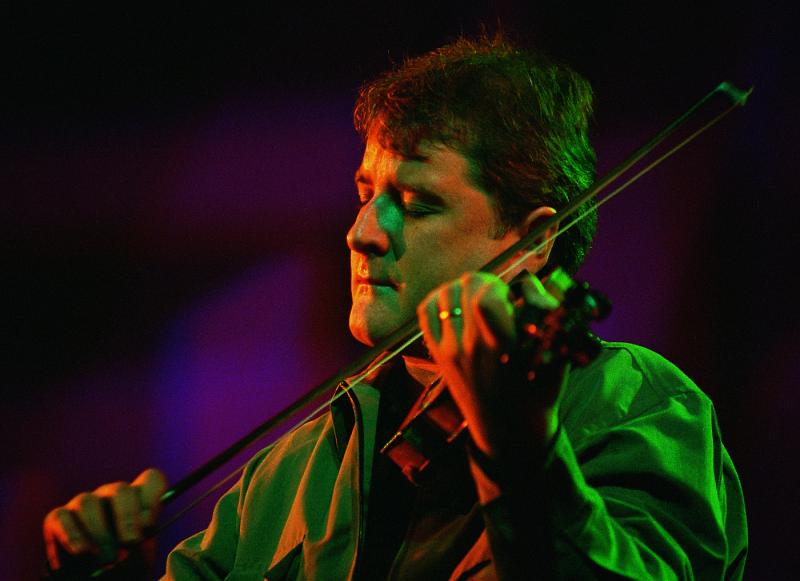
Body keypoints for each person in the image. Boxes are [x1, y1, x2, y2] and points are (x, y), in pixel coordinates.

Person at [42, 34, 748, 579]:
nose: (363, 232)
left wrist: (519, 450)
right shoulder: (297, 462)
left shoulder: (636, 405)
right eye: (366, 193)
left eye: (417, 202)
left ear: (532, 241)